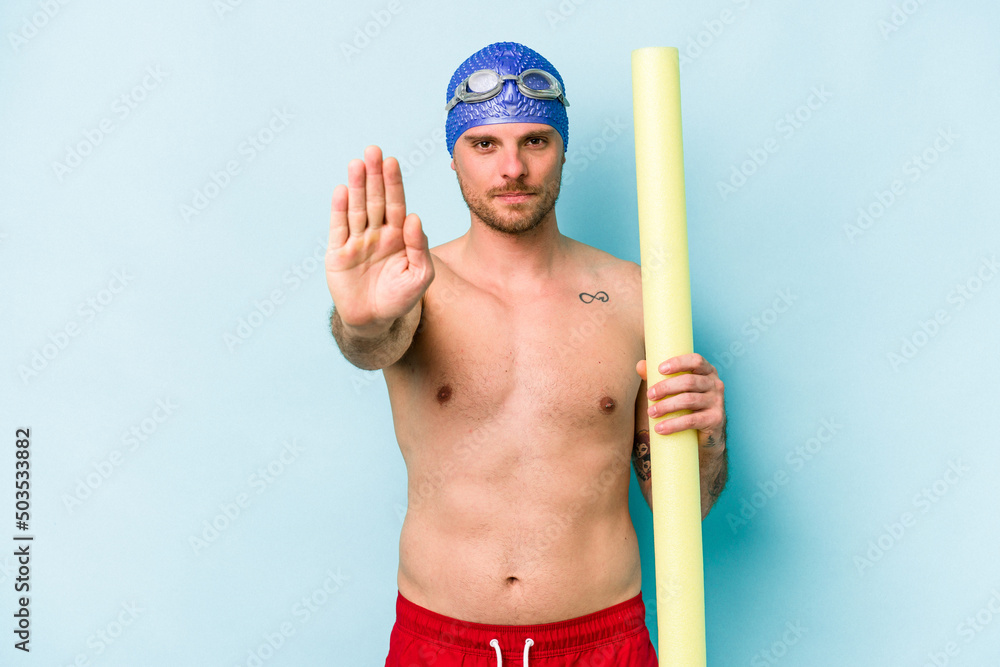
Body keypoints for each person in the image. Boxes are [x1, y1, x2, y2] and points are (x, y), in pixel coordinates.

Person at [327, 41, 728, 667]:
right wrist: (359, 318)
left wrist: (707, 436)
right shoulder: (413, 289)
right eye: (484, 145)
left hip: (601, 643)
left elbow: (687, 505)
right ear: (454, 157)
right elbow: (371, 345)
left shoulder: (638, 295)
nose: (511, 168)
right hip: (441, 642)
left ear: (563, 148)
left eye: (535, 141)